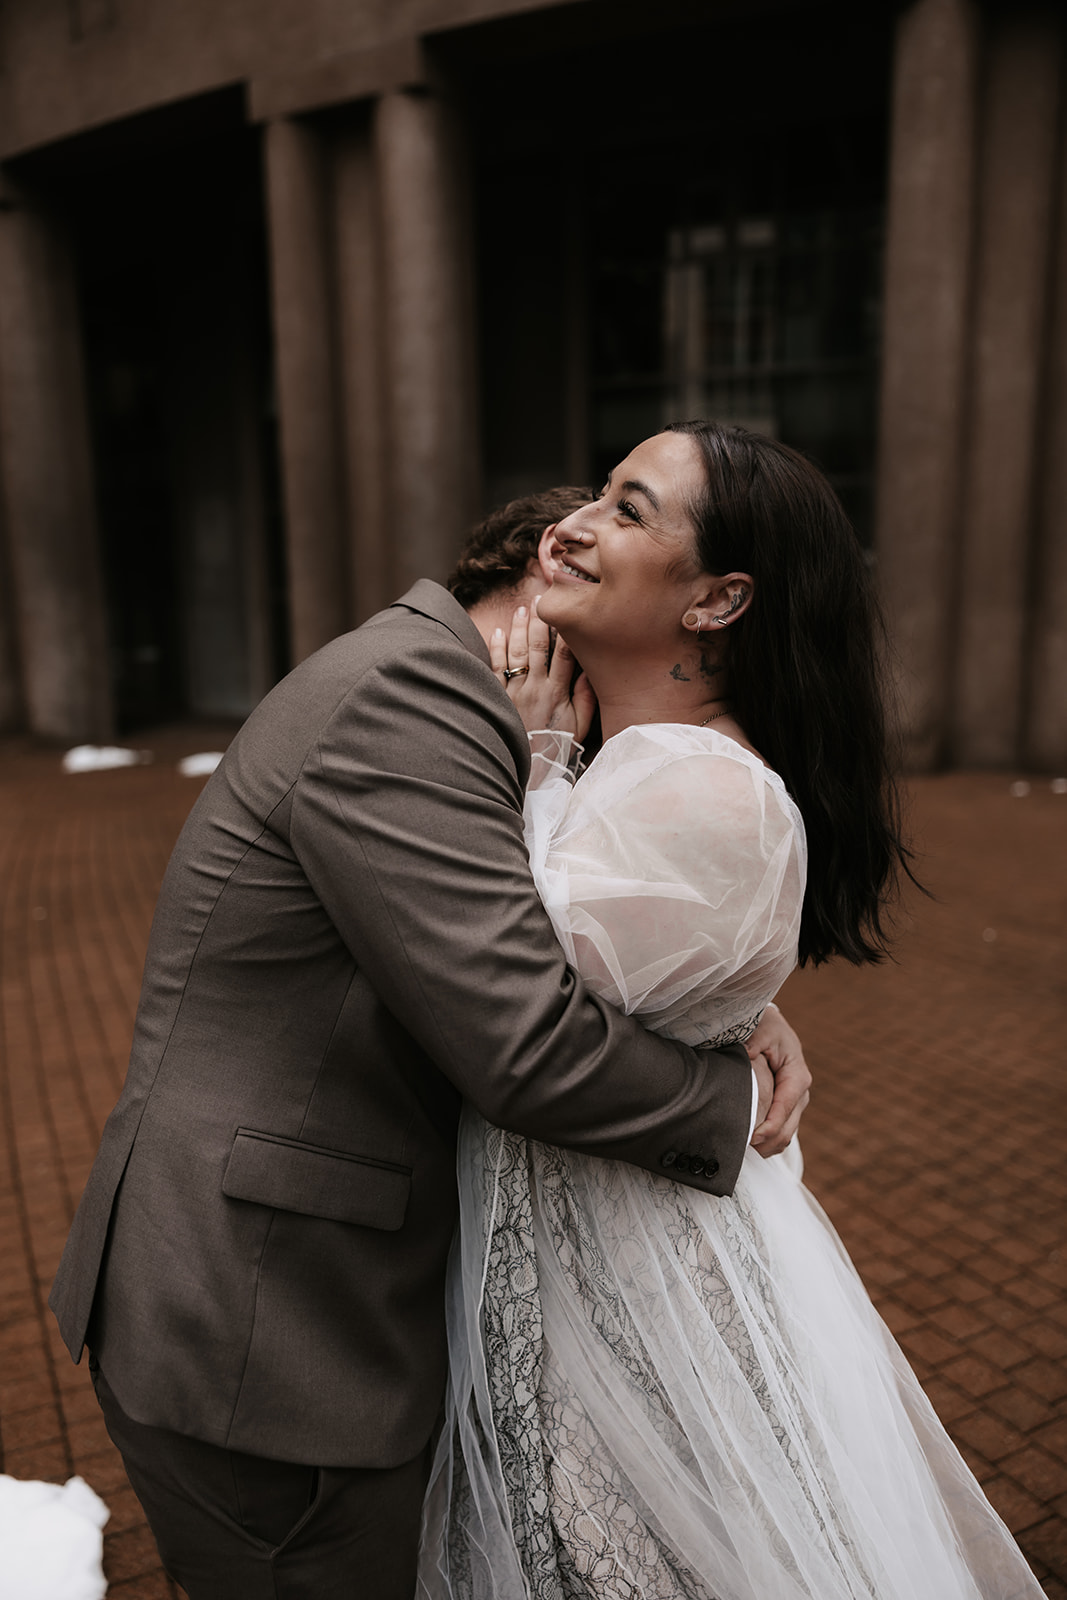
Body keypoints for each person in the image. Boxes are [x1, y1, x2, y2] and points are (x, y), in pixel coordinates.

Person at [46, 483, 811, 1600]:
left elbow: (512, 919)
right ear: (535, 616)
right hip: (265, 1327)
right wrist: (727, 1100)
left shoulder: (450, 696)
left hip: (310, 1299)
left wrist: (731, 1000)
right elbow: (521, 1039)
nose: (596, 723)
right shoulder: (410, 698)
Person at [418, 422, 1044, 1600]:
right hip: (557, 1272)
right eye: (598, 493)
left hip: (635, 1311)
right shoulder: (639, 764)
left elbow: (504, 997)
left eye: (629, 507)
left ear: (717, 600)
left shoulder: (711, 792)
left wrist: (537, 756)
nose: (575, 524)